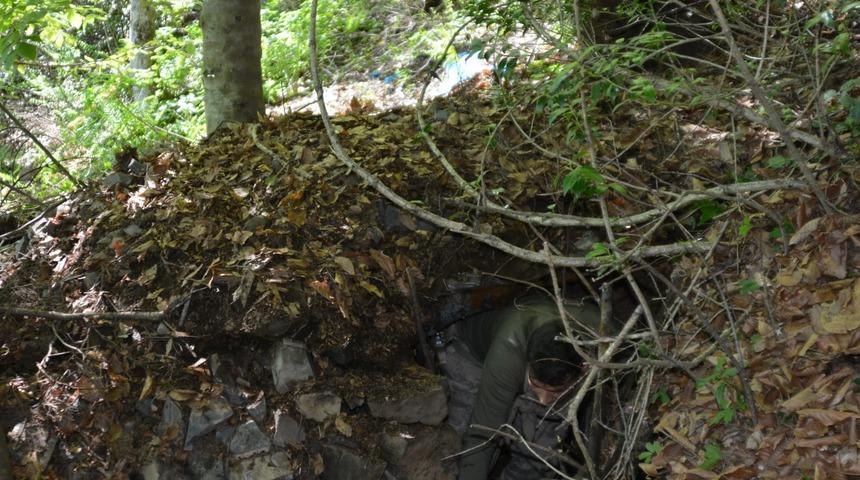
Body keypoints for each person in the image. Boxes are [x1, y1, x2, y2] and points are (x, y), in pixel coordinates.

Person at [442, 295, 603, 480]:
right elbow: (481, 435)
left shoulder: (607, 343)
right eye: (537, 385)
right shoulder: (507, 354)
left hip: (547, 369)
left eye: (555, 391)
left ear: (584, 368)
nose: (543, 399)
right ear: (528, 363)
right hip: (471, 354)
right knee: (460, 436)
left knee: (539, 451)